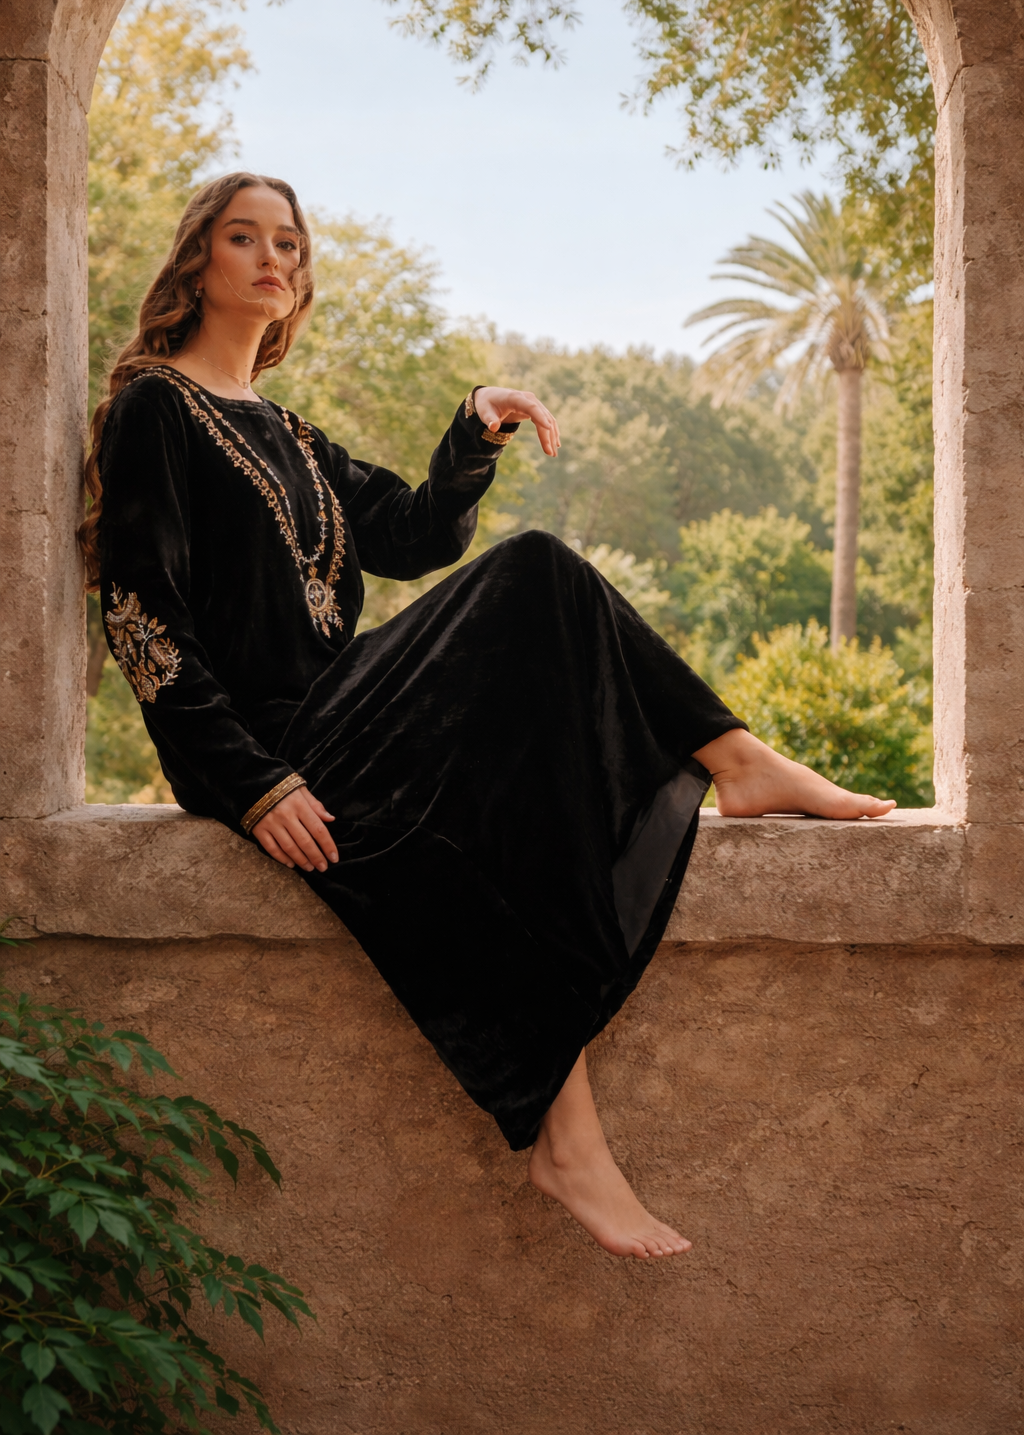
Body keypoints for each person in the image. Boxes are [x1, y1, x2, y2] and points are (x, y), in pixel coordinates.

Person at [80, 172, 896, 1262]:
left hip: (339, 708)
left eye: (289, 241)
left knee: (531, 744)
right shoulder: (154, 408)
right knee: (539, 574)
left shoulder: (292, 433)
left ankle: (730, 777)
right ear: (197, 261)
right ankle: (735, 768)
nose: (275, 258)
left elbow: (412, 535)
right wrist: (249, 781)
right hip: (275, 747)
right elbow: (142, 612)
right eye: (244, 238)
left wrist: (474, 429)